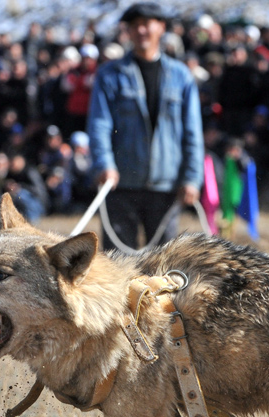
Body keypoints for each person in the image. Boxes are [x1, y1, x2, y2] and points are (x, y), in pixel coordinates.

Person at [87, 2, 203, 251]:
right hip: (120, 184)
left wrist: (192, 178)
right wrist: (104, 164)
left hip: (166, 185)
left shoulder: (181, 76)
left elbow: (192, 132)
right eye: (135, 25)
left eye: (147, 24)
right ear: (127, 31)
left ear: (161, 27)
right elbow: (99, 125)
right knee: (117, 263)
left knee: (164, 269)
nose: (141, 31)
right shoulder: (109, 75)